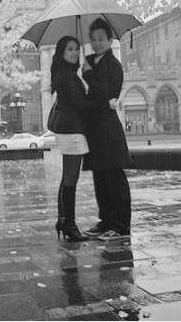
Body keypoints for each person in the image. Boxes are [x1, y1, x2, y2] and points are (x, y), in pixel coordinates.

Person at [51, 35, 112, 242]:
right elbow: (79, 102)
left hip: (68, 128)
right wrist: (105, 105)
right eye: (70, 49)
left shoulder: (66, 73)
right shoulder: (66, 75)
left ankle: (63, 220)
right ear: (61, 52)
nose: (75, 52)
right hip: (72, 129)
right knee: (71, 179)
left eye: (77, 49)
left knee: (67, 177)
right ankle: (69, 224)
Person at [81, 18, 133, 241]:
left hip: (108, 129)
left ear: (110, 40)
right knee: (100, 179)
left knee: (114, 178)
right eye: (93, 39)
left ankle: (120, 226)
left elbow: (107, 93)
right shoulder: (88, 61)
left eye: (101, 39)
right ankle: (105, 221)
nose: (97, 43)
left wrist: (89, 76)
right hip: (93, 128)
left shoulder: (113, 65)